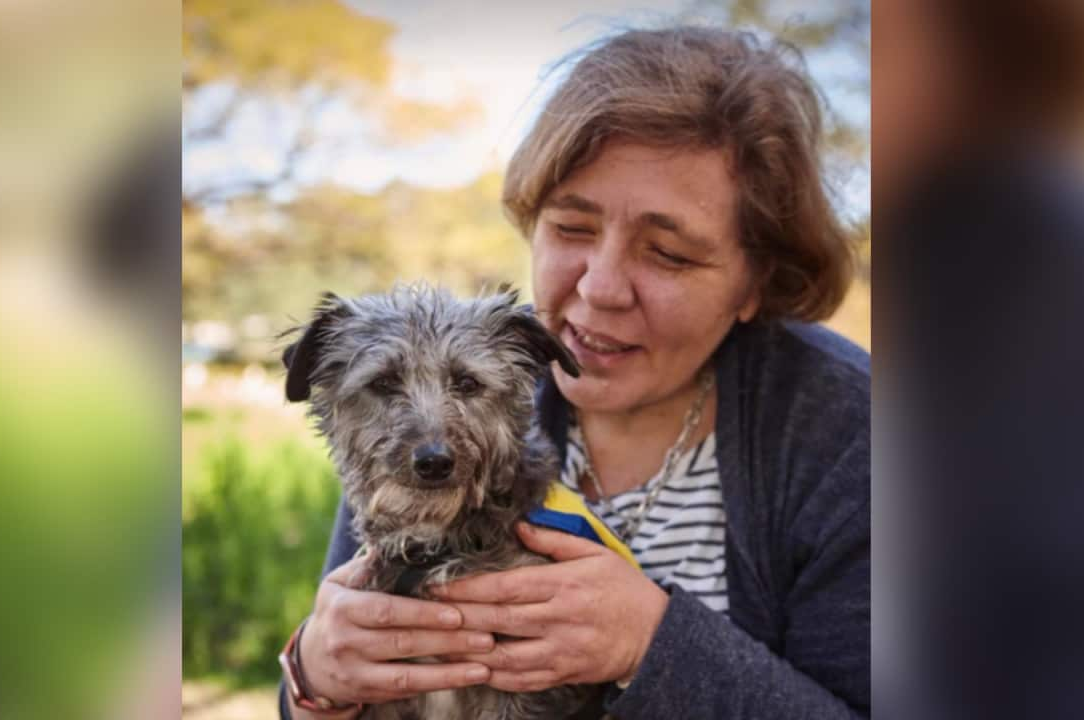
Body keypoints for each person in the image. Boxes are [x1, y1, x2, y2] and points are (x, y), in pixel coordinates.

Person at [281, 26, 869, 719]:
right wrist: (315, 677)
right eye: (571, 228)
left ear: (754, 284)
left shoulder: (854, 438)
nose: (601, 288)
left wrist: (651, 642)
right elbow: (336, 683)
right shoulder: (468, 377)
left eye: (669, 254)